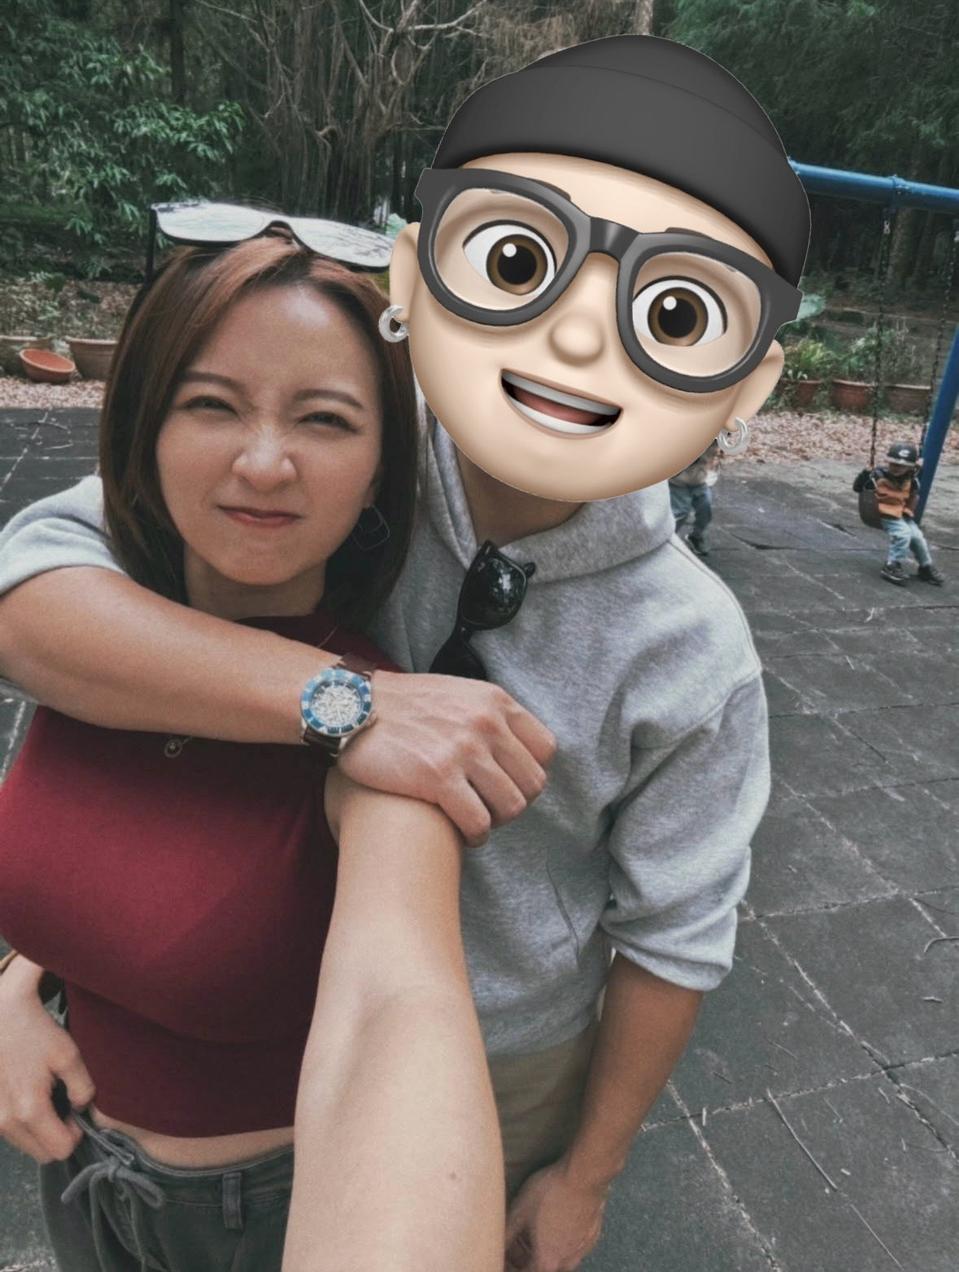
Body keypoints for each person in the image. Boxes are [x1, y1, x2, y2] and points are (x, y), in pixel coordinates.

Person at [0, 35, 810, 1270]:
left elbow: (674, 936)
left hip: (501, 1036)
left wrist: (587, 1173)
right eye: (521, 261)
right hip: (256, 988)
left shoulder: (690, 653)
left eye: (671, 311)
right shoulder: (349, 440)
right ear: (421, 280)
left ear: (744, 384)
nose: (575, 341)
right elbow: (41, 581)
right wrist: (350, 702)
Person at [0, 233, 505, 1271]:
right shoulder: (97, 647)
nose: (264, 463)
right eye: (211, 404)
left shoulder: (389, 737)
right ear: (143, 428)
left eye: (325, 420)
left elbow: (396, 1006)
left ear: (381, 468)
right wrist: (13, 989)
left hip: (252, 1218)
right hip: (79, 1177)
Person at [853, 441, 945, 587]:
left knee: (917, 537)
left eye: (902, 466)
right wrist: (865, 473)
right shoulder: (877, 475)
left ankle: (925, 566)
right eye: (893, 464)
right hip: (881, 513)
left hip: (901, 514)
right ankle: (891, 565)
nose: (896, 468)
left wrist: (908, 511)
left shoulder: (911, 478)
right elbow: (858, 488)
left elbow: (913, 492)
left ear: (910, 467)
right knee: (903, 534)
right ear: (888, 462)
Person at [668, 440, 722, 557]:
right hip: (678, 482)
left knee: (705, 508)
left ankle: (696, 536)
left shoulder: (714, 442)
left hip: (699, 482)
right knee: (681, 512)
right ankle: (668, 538)